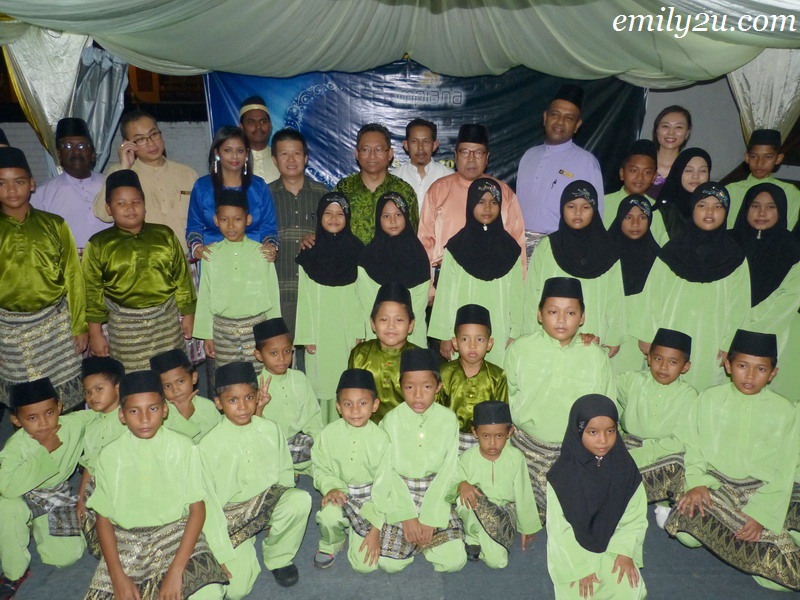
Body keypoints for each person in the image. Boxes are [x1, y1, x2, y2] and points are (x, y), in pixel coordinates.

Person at [666, 330, 800, 591]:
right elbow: (693, 445)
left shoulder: (785, 411)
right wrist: (697, 482)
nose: (750, 376)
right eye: (742, 366)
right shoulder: (709, 398)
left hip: (761, 492)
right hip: (717, 486)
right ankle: (754, 550)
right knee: (687, 527)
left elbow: (785, 468)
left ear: (773, 373)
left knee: (790, 576)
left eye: (761, 369)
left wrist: (761, 515)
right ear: (728, 365)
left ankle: (765, 541)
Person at [85, 370, 232, 599]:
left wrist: (176, 571)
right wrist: (117, 576)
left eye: (152, 409)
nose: (144, 419)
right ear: (122, 415)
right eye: (134, 411)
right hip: (127, 542)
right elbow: (103, 520)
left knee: (210, 592)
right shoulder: (109, 456)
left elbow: (197, 510)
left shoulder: (184, 448)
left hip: (177, 532)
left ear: (164, 410)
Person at [505, 276, 616, 521]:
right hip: (526, 447)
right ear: (539, 315)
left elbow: (606, 408)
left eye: (571, 313)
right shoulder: (520, 349)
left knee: (584, 513)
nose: (562, 320)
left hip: (575, 452)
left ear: (582, 317)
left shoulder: (595, 356)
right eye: (553, 312)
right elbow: (507, 395)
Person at [199, 361, 311, 592]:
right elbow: (207, 504)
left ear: (258, 397)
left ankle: (278, 557)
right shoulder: (207, 445)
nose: (242, 407)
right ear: (219, 403)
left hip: (265, 501)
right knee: (237, 590)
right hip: (230, 516)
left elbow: (284, 472)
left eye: (249, 398)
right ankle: (244, 543)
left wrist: (279, 516)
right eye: (233, 400)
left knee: (299, 499)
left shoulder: (270, 429)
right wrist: (219, 549)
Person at [631, 182, 750, 392]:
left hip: (712, 339)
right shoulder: (672, 251)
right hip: (669, 332)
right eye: (702, 205)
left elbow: (739, 305)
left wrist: (730, 344)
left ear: (727, 211)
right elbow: (652, 296)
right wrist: (647, 335)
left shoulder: (735, 256)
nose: (710, 212)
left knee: (703, 392)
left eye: (718, 206)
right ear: (692, 209)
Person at [0, 146, 86, 411]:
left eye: (19, 181)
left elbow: (73, 276)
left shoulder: (54, 224)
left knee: (66, 403)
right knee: (25, 407)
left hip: (56, 327)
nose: (11, 190)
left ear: (32, 184)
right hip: (8, 331)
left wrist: (79, 325)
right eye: (2, 183)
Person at [83, 169, 196, 371]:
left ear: (145, 205)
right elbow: (92, 291)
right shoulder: (99, 244)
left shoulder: (164, 235)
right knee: (135, 381)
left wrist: (188, 314)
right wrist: (95, 333)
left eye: (136, 202)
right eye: (121, 203)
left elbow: (182, 277)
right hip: (125, 328)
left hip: (166, 323)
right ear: (108, 208)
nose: (130, 208)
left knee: (171, 375)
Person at [367, 348, 466, 572]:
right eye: (410, 387)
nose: (418, 395)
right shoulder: (390, 422)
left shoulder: (448, 420)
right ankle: (419, 539)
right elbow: (386, 472)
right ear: (400, 386)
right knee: (389, 564)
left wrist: (431, 517)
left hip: (436, 491)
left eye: (427, 387)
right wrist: (407, 516)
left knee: (454, 561)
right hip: (400, 493)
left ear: (438, 387)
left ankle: (424, 539)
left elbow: (450, 470)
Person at [546, 394, 647, 600]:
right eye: (593, 432)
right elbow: (559, 530)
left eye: (610, 431)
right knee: (579, 594)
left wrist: (624, 551)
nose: (603, 440)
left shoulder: (624, 467)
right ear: (578, 431)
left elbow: (634, 516)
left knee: (628, 589)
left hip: (613, 546)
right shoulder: (562, 476)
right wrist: (580, 568)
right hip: (573, 555)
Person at [0, 378, 92, 598]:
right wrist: (44, 450)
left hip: (54, 495)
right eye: (32, 418)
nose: (43, 422)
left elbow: (103, 415)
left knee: (66, 557)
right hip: (21, 497)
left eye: (49, 413)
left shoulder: (73, 424)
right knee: (7, 508)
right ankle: (14, 572)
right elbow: (7, 487)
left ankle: (37, 524)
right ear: (16, 420)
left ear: (59, 407)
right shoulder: (15, 447)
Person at [523, 180, 624, 360]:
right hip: (548, 336)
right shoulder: (548, 246)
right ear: (562, 209)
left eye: (585, 207)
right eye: (571, 206)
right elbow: (532, 293)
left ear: (595, 210)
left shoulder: (608, 251)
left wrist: (614, 337)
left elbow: (615, 298)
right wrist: (528, 334)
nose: (578, 213)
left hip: (592, 337)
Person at [429, 177, 524, 366]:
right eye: (480, 202)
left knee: (497, 376)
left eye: (493, 202)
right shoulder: (456, 247)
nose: (487, 208)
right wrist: (445, 335)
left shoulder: (510, 249)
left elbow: (517, 297)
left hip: (500, 332)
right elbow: (445, 294)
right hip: (462, 333)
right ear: (471, 204)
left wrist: (517, 333)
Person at [419, 124, 525, 277]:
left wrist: (520, 283)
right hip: (447, 277)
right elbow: (425, 242)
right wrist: (428, 284)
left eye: (478, 153)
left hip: (494, 278)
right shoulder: (438, 190)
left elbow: (518, 242)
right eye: (465, 152)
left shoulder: (503, 192)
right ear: (455, 155)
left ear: (487, 157)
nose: (471, 159)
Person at [310, 368, 390, 571]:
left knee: (365, 566)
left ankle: (359, 531)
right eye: (347, 404)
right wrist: (331, 487)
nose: (355, 411)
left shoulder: (382, 439)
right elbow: (319, 467)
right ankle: (332, 542)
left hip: (370, 500)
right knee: (329, 516)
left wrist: (376, 527)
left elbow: (386, 485)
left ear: (375, 405)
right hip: (339, 493)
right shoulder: (327, 434)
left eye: (362, 403)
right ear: (338, 407)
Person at [295, 193, 364, 423]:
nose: (334, 218)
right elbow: (304, 298)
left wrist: (360, 331)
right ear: (319, 216)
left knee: (347, 384)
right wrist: (307, 335)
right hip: (319, 334)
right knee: (321, 384)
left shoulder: (357, 251)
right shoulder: (309, 253)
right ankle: (323, 434)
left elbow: (361, 297)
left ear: (348, 217)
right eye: (328, 213)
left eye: (340, 214)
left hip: (347, 333)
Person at [192, 190, 281, 369]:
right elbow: (205, 296)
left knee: (259, 377)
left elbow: (273, 293)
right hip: (222, 331)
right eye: (224, 219)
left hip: (258, 328)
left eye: (237, 219)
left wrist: (275, 332)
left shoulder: (262, 252)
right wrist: (207, 335)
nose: (231, 225)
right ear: (216, 220)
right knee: (229, 378)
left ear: (248, 220)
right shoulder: (210, 255)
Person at [516, 84, 605, 256]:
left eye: (568, 118)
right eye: (555, 115)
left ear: (577, 125)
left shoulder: (586, 162)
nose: (560, 122)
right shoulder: (529, 155)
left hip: (559, 248)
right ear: (545, 117)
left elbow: (596, 215)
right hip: (520, 246)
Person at [93, 109, 198, 253]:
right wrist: (124, 168)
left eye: (154, 134)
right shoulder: (120, 172)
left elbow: (201, 220)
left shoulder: (187, 174)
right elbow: (103, 214)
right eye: (140, 139)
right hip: (144, 259)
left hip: (185, 259)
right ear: (127, 144)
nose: (151, 142)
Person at [616, 328, 696, 516]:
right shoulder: (633, 380)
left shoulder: (689, 395)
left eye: (673, 362)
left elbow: (682, 440)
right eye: (658, 358)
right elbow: (600, 381)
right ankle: (625, 499)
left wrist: (645, 454)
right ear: (649, 359)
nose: (663, 367)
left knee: (679, 466)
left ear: (685, 367)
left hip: (664, 452)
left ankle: (663, 503)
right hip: (629, 445)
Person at [732, 182, 800, 401]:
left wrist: (750, 323)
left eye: (771, 207)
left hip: (777, 331)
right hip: (728, 331)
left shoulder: (792, 249)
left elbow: (790, 296)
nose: (762, 213)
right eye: (755, 206)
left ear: (781, 210)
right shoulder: (728, 242)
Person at [452, 400, 540, 568]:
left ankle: (482, 540)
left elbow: (523, 493)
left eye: (499, 436)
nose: (492, 443)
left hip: (503, 513)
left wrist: (527, 528)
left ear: (509, 432)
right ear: (475, 432)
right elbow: (452, 481)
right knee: (464, 500)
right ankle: (472, 537)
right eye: (486, 436)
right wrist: (462, 484)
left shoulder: (516, 457)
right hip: (474, 508)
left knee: (498, 562)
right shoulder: (467, 458)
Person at [268, 128, 329, 340]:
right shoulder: (264, 196)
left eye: (296, 153)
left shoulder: (324, 195)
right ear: (275, 160)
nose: (291, 159)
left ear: (306, 158)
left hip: (315, 291)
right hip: (278, 291)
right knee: (281, 352)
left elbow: (337, 240)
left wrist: (320, 240)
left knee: (316, 353)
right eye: (284, 154)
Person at [186, 126, 278, 263]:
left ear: (247, 153)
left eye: (240, 151)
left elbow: (269, 228)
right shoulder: (202, 187)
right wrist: (197, 247)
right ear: (217, 152)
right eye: (228, 150)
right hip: (213, 258)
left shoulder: (259, 186)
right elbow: (194, 227)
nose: (234, 156)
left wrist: (270, 246)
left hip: (254, 258)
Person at [357, 191, 430, 348]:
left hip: (412, 334)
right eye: (386, 216)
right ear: (378, 219)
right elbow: (366, 302)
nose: (393, 221)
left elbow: (419, 302)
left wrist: (402, 326)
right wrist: (383, 327)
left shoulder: (418, 254)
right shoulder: (368, 256)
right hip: (376, 335)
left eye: (398, 214)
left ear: (406, 216)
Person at [252, 317, 323, 474]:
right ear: (259, 355)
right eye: (273, 353)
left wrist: (320, 443)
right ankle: (288, 470)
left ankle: (295, 468)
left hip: (300, 443)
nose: (282, 359)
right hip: (272, 447)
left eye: (287, 351)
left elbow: (313, 417)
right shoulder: (255, 387)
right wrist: (259, 406)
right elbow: (253, 430)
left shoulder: (299, 378)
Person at [437, 304, 508, 453]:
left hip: (486, 442)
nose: (472, 346)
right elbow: (436, 411)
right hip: (449, 438)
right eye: (465, 339)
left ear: (489, 344)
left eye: (480, 339)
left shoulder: (497, 376)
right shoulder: (444, 373)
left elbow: (501, 416)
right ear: (455, 343)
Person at [335, 123, 418, 244]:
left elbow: (412, 237)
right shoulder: (343, 189)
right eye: (365, 149)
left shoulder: (404, 191)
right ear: (357, 153)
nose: (372, 156)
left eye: (378, 149)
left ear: (390, 154)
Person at [348, 283, 419, 423]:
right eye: (384, 319)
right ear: (373, 324)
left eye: (399, 320)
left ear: (410, 325)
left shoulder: (419, 358)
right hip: (367, 428)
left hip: (408, 428)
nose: (391, 325)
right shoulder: (360, 354)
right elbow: (351, 395)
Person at [31, 117, 106, 250]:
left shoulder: (110, 184)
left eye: (82, 145)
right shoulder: (41, 194)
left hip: (110, 259)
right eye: (67, 146)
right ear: (59, 155)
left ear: (93, 154)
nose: (76, 151)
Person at [607, 195, 661, 373]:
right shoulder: (603, 254)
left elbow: (659, 302)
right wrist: (611, 334)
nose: (635, 224)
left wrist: (648, 334)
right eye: (628, 217)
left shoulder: (658, 259)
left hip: (641, 338)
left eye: (642, 217)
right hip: (606, 332)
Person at [77, 357, 127, 539]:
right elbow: (89, 466)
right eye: (87, 392)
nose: (92, 396)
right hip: (101, 485)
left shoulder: (130, 418)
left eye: (99, 389)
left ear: (118, 388)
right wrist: (80, 498)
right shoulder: (91, 426)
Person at [726, 129, 800, 230]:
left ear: (778, 158)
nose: (760, 163)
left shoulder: (790, 192)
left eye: (768, 157)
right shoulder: (731, 191)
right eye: (754, 156)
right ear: (747, 157)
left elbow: (788, 231)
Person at [602, 139, 668, 245]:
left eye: (647, 172)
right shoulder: (602, 204)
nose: (639, 177)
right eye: (634, 170)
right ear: (622, 173)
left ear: (654, 177)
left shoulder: (656, 209)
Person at [150, 349, 221, 442]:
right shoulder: (160, 412)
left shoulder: (208, 406)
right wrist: (184, 416)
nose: (175, 390)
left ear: (194, 377)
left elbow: (219, 438)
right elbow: (167, 444)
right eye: (167, 386)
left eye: (180, 381)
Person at [390, 118, 453, 212]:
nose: (420, 148)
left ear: (434, 145)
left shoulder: (448, 177)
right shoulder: (394, 178)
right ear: (406, 145)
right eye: (414, 141)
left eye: (426, 141)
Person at [655, 147, 711, 240]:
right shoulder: (663, 211)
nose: (695, 176)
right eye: (688, 170)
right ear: (678, 172)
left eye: (703, 171)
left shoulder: (714, 208)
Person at [647, 105, 692, 200]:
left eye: (678, 127)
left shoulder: (690, 170)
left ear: (687, 133)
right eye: (665, 126)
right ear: (656, 130)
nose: (671, 132)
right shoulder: (641, 165)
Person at [239, 95, 280, 184]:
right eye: (251, 122)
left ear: (270, 126)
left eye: (263, 121)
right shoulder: (235, 161)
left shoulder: (282, 159)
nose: (258, 127)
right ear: (241, 127)